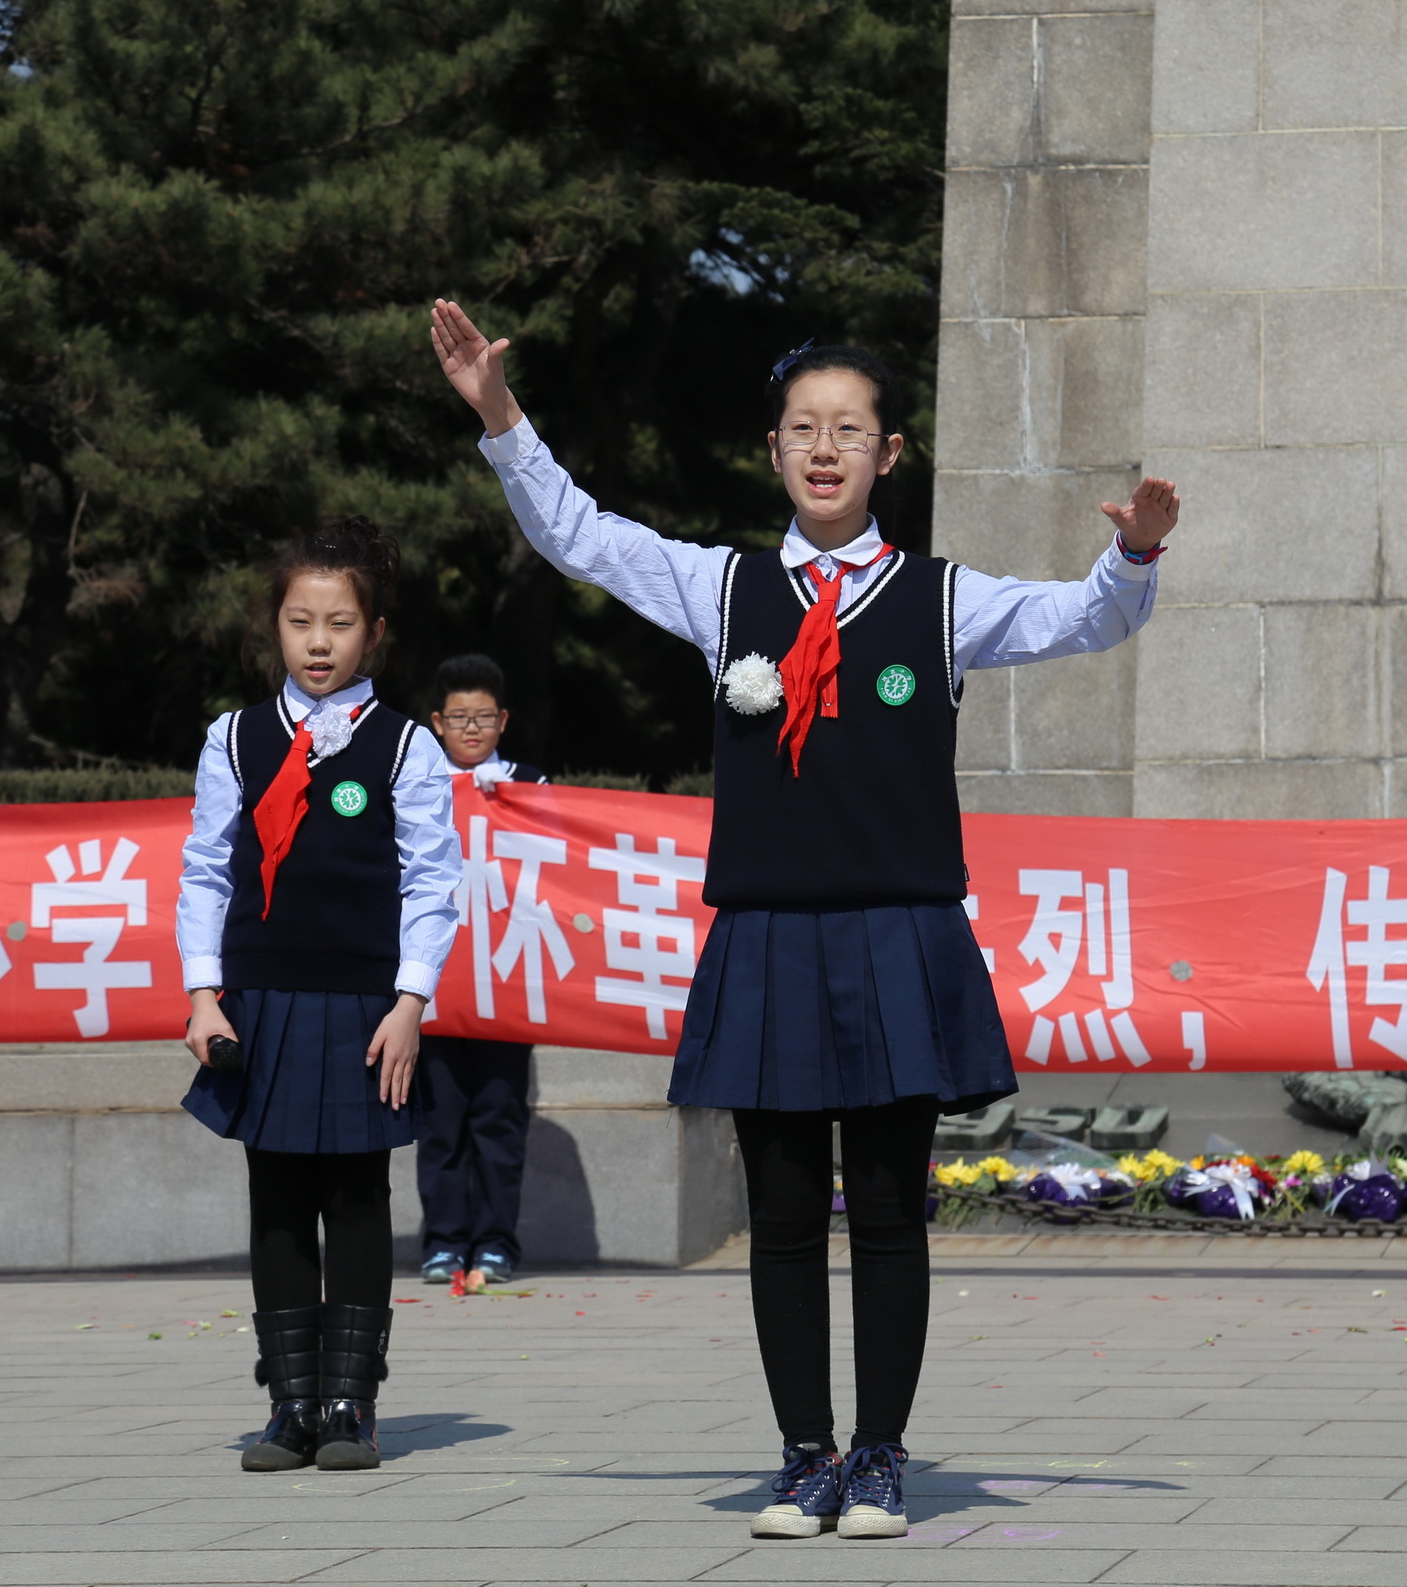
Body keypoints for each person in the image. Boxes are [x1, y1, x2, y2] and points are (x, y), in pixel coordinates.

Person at [429, 301, 1179, 1539]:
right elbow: (581, 537)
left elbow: (1080, 618)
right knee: (780, 1215)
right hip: (770, 935)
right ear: (772, 450)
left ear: (890, 456)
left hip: (895, 933)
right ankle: (799, 1455)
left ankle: (879, 1456)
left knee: (886, 1210)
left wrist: (1135, 556)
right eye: (801, 429)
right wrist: (501, 415)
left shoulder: (941, 598)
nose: (824, 449)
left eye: (850, 430)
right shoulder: (722, 587)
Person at [176, 517, 462, 1473]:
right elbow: (205, 872)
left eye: (340, 622)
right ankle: (288, 1404)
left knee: (356, 1193)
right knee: (276, 1197)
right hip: (260, 1001)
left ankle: (352, 1403)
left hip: (364, 1006)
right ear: (276, 628)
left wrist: (410, 1003)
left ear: (373, 632)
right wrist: (204, 994)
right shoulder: (236, 736)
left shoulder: (404, 746)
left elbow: (431, 882)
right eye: (301, 621)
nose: (320, 641)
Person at [417, 652, 543, 1291]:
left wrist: (516, 809)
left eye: (484, 717)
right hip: (432, 988)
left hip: (504, 983)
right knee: (438, 1122)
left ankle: (495, 1244)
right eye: (459, 717)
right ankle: (442, 1243)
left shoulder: (532, 786)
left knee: (498, 1117)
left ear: (503, 721)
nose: (471, 729)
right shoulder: (413, 783)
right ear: (437, 722)